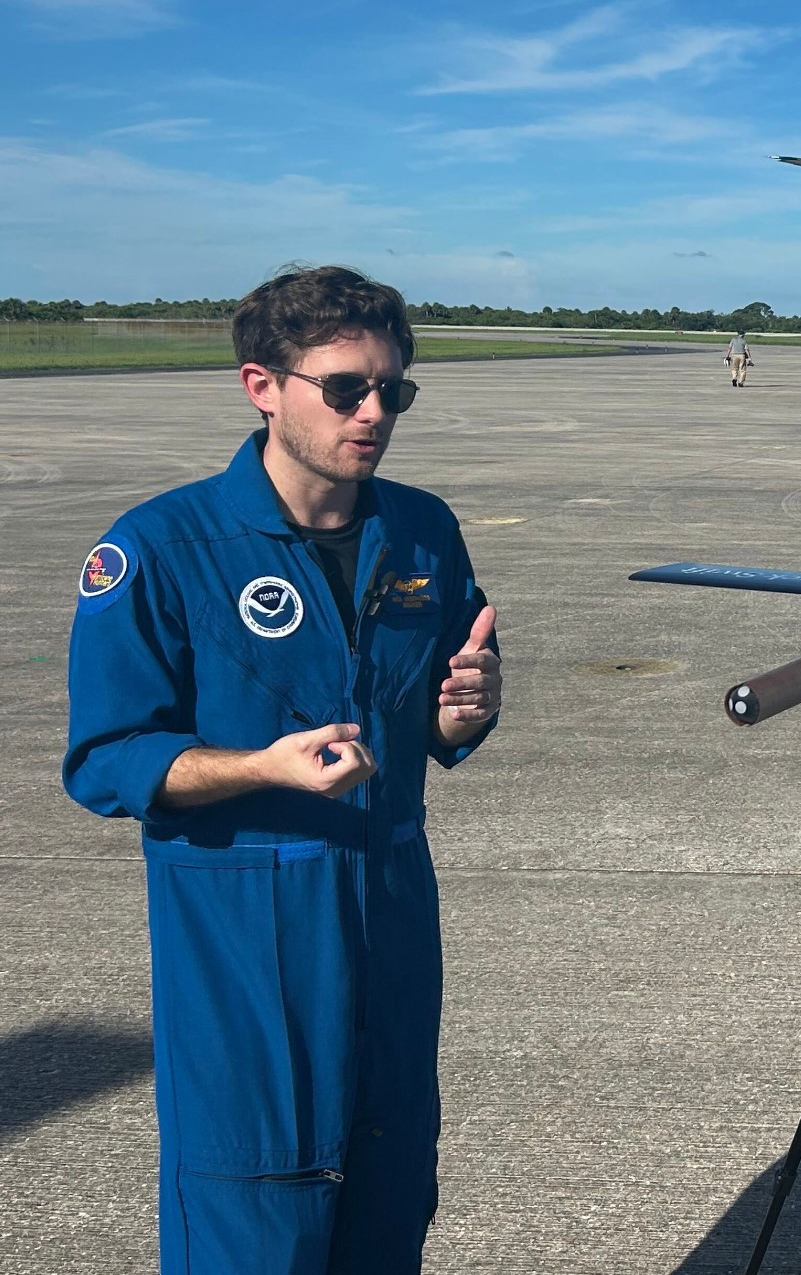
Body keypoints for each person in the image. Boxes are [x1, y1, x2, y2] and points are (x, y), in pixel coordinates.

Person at [63, 265, 502, 1275]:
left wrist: (463, 707)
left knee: (390, 1201)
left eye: (396, 388)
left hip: (393, 915)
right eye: (346, 388)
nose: (377, 411)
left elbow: (443, 707)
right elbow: (106, 760)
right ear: (262, 384)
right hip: (246, 937)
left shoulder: (421, 530)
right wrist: (260, 766)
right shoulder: (162, 548)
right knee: (252, 1217)